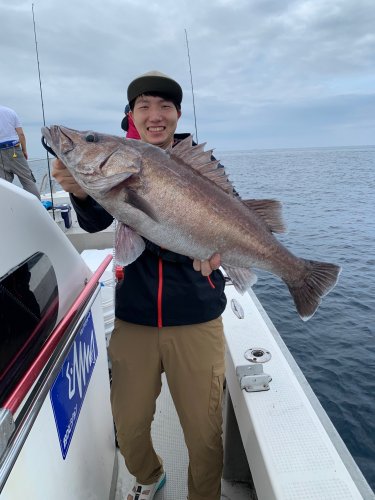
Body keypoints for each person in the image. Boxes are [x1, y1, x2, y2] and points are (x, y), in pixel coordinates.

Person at [52, 70, 227, 500]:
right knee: (128, 430)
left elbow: (219, 227)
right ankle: (150, 477)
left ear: (177, 114)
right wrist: (79, 193)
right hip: (135, 318)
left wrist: (209, 251)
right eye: (144, 106)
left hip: (197, 317)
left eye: (165, 106)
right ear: (131, 116)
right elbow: (97, 221)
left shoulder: (205, 167)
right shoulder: (122, 159)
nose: (155, 115)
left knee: (204, 439)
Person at [0, 105, 40, 199]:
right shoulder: (10, 112)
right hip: (14, 149)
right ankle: (37, 207)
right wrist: (24, 150)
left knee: (4, 184)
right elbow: (21, 134)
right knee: (27, 179)